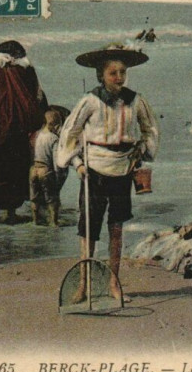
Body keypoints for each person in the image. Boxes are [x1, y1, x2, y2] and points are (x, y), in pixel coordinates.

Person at [57, 43, 159, 302]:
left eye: (123, 72)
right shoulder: (89, 101)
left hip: (123, 170)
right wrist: (77, 163)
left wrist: (142, 150)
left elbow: (150, 129)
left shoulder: (136, 100)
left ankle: (114, 282)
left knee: (116, 228)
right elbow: (70, 133)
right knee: (88, 231)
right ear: (101, 75)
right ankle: (83, 284)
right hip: (93, 172)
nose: (119, 78)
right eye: (113, 73)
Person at [0, 40, 45, 224]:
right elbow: (37, 95)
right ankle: (11, 214)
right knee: (15, 168)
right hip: (17, 126)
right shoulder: (26, 69)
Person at [29, 110, 66, 227]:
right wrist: (58, 175)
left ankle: (35, 221)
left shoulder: (36, 135)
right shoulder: (54, 138)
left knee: (34, 198)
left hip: (34, 169)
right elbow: (56, 161)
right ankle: (53, 222)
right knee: (52, 198)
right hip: (46, 170)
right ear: (54, 125)